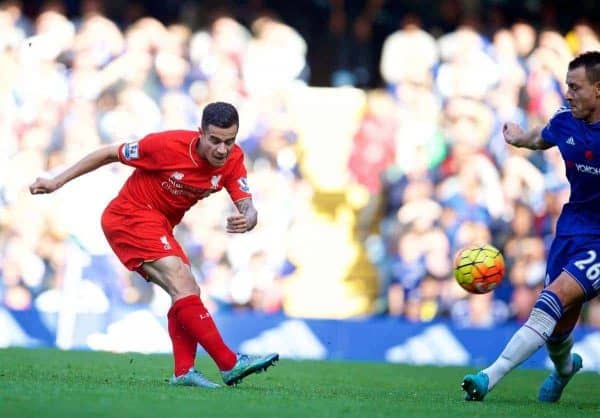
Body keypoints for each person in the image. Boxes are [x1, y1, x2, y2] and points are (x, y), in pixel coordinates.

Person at [30, 101, 279, 388]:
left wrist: (250, 215)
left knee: (187, 291)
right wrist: (56, 181)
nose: (222, 150)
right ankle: (228, 363)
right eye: (214, 141)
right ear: (200, 133)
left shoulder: (233, 159)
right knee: (182, 283)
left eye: (229, 141)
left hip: (160, 225)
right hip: (129, 216)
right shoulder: (165, 146)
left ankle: (184, 372)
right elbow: (110, 153)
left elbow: (245, 203)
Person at [460, 51, 600, 402]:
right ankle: (566, 368)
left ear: (599, 90)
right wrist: (521, 138)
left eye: (575, 87)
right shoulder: (566, 119)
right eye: (567, 86)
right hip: (572, 228)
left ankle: (487, 378)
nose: (567, 93)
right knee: (557, 327)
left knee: (550, 299)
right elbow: (544, 137)